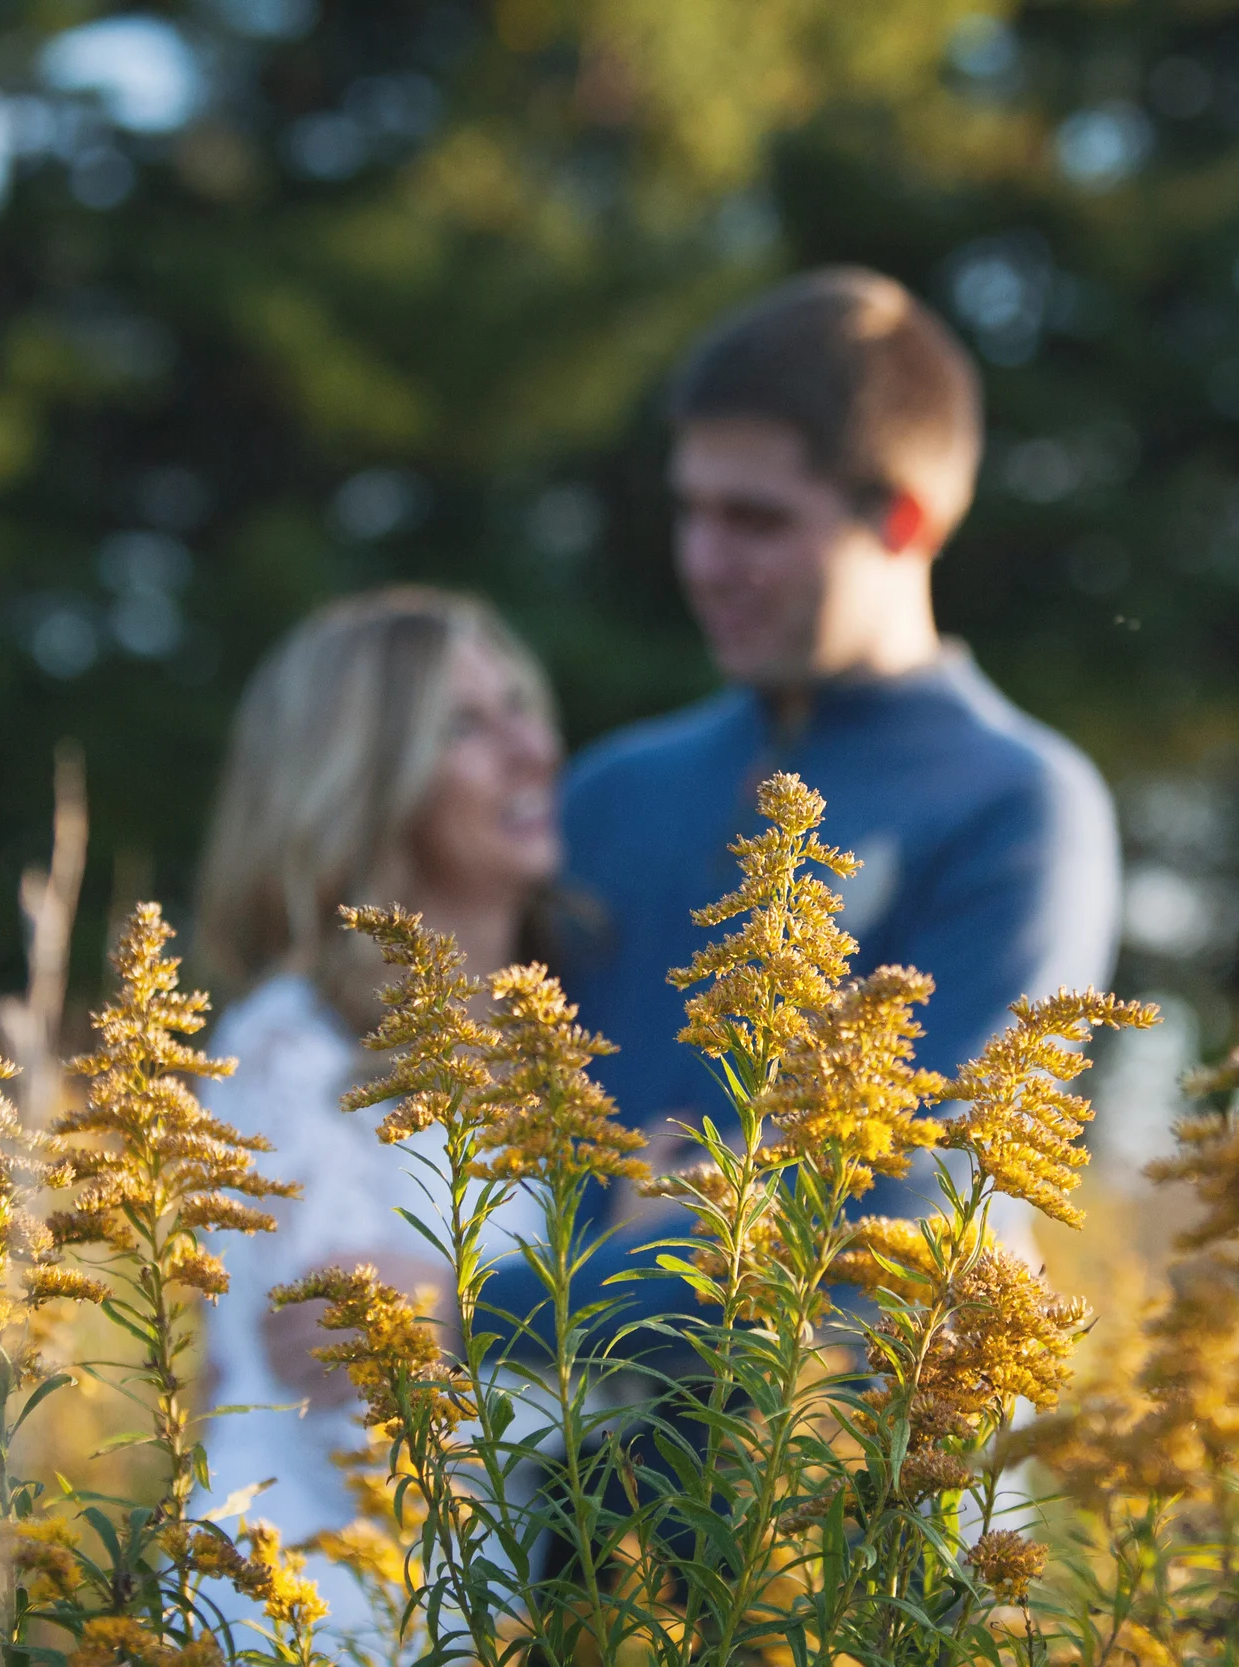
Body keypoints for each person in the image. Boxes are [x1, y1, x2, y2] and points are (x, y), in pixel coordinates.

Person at [485, 265, 1122, 1334]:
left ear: (904, 519)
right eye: (690, 511)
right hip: (549, 1487)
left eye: (757, 520)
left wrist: (458, 1324)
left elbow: (886, 1219)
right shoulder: (608, 789)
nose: (703, 561)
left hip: (842, 1477)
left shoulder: (1020, 807)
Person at [188, 587, 562, 1633]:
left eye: (521, 706)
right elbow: (365, 1400)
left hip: (471, 1612)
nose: (532, 749)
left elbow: (433, 1340)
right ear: (363, 780)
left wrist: (458, 1305)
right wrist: (619, 1281)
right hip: (310, 1617)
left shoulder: (551, 1041)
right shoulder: (291, 1047)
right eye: (464, 727)